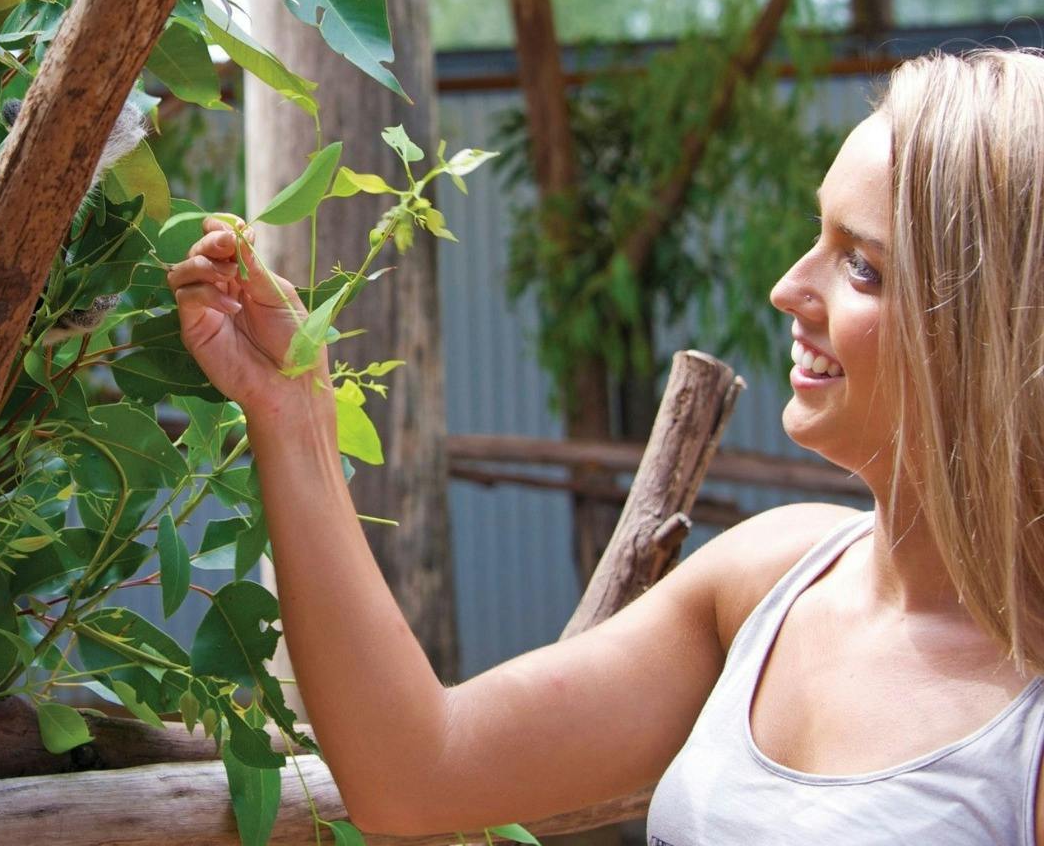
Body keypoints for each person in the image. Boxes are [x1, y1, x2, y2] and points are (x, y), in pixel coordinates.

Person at [166, 49, 1044, 843]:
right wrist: (293, 413)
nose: (786, 289)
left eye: (862, 267)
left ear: (996, 329)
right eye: (817, 237)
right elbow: (416, 770)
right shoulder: (770, 581)